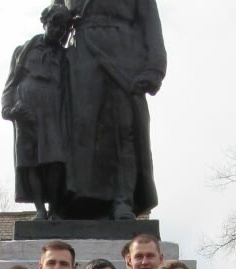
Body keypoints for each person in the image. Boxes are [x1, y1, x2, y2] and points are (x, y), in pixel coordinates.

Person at [63, 0, 166, 220]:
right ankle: (78, 201)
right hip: (82, 57)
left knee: (124, 130)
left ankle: (122, 200)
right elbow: (57, 19)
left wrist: (155, 68)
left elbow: (150, 22)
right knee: (79, 132)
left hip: (124, 58)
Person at [2, 4, 73, 220]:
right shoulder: (23, 50)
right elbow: (11, 82)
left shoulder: (66, 57)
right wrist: (8, 107)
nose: (57, 31)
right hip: (26, 110)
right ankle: (40, 209)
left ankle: (55, 209)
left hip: (53, 109)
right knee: (29, 161)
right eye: (54, 25)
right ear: (45, 22)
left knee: (54, 161)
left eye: (62, 29)